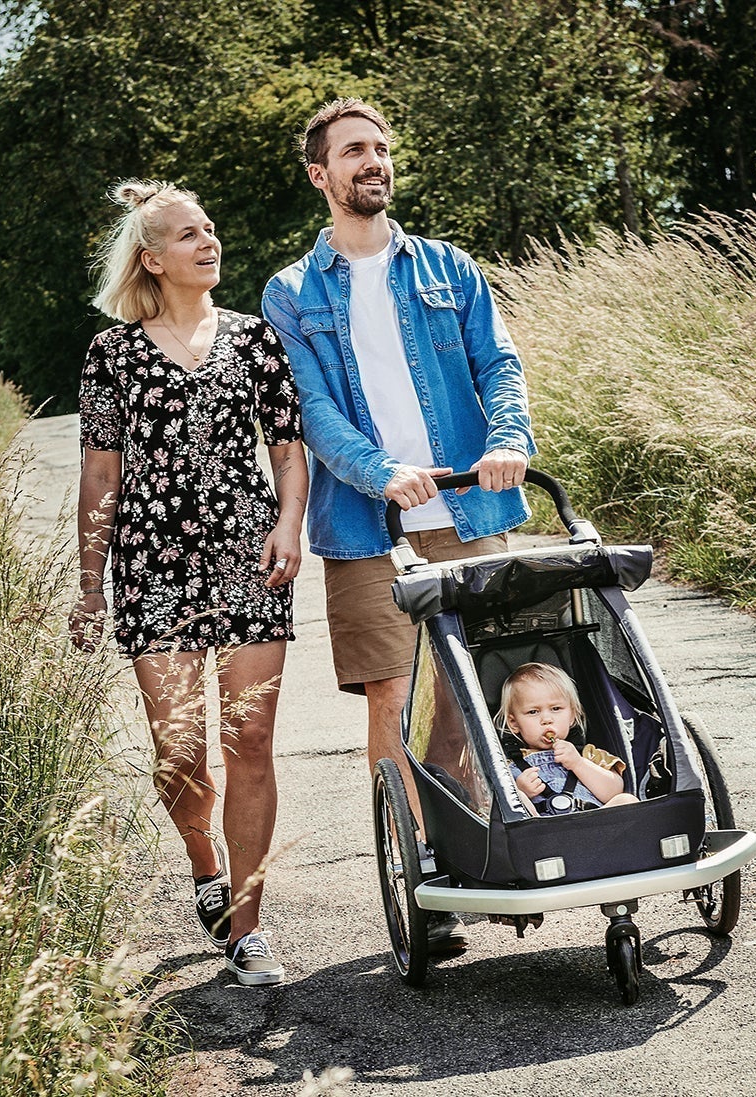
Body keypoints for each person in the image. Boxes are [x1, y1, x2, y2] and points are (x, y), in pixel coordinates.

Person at [260, 97, 535, 957]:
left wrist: (508, 438)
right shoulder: (292, 292)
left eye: (380, 148)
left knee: (470, 684)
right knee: (392, 690)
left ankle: (483, 845)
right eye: (353, 152)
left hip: (465, 502)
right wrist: (382, 471)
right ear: (321, 175)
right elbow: (310, 409)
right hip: (363, 521)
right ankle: (419, 870)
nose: (372, 162)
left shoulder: (448, 267)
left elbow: (500, 364)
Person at [72, 179, 307, 987]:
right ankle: (205, 864)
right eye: (186, 235)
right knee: (180, 755)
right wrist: (90, 584)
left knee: (250, 745)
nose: (208, 242)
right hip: (153, 568)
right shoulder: (113, 354)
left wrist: (288, 522)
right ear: (151, 259)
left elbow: (286, 448)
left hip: (251, 559)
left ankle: (247, 925)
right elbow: (101, 472)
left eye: (210, 228)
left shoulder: (255, 339)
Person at [497, 663, 638, 816]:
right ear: (514, 723)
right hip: (544, 830)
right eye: (533, 712)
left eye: (556, 709)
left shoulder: (588, 754)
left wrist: (578, 763)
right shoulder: (507, 766)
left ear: (572, 716)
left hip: (594, 822)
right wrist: (520, 791)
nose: (546, 719)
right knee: (515, 798)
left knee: (627, 800)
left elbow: (614, 791)